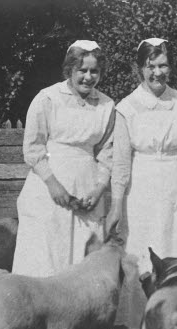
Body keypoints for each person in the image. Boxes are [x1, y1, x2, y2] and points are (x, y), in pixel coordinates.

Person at [106, 38, 177, 329]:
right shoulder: (127, 108)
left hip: (174, 186)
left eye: (163, 65)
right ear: (140, 68)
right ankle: (141, 323)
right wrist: (116, 205)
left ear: (171, 67)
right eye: (151, 66)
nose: (157, 73)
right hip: (141, 189)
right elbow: (120, 163)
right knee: (144, 256)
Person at [12, 40, 115, 278]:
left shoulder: (107, 105)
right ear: (70, 69)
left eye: (94, 71)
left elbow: (107, 151)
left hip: (87, 190)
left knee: (82, 263)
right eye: (82, 70)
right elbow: (33, 147)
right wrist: (53, 184)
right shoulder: (47, 98)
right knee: (46, 259)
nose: (88, 77)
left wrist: (99, 188)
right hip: (48, 189)